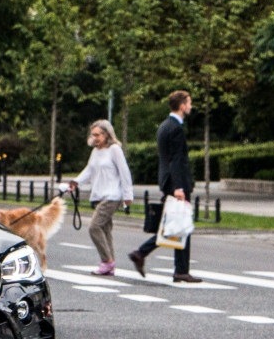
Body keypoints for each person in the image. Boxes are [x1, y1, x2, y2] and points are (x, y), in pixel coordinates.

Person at [128, 90, 202, 283]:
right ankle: (171, 266)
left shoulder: (164, 126)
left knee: (176, 224)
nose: (191, 106)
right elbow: (176, 160)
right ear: (182, 105)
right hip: (176, 184)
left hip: (168, 181)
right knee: (179, 225)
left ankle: (175, 267)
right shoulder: (175, 128)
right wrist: (179, 187)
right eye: (189, 103)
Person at [68, 120, 133, 275]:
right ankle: (110, 264)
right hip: (100, 195)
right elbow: (89, 171)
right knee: (105, 229)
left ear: (106, 134)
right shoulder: (95, 152)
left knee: (94, 227)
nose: (94, 138)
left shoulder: (114, 149)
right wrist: (76, 182)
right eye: (93, 135)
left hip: (113, 195)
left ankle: (107, 261)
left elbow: (124, 171)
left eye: (97, 135)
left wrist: (127, 195)